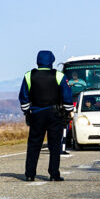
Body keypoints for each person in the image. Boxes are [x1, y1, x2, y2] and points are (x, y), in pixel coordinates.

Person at [19, 50, 74, 181]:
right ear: (52, 61)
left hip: (36, 113)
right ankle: (54, 174)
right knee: (54, 145)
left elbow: (24, 96)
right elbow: (67, 95)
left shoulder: (29, 75)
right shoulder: (59, 75)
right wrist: (68, 110)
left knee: (34, 144)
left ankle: (29, 174)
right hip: (55, 113)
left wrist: (27, 111)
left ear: (38, 61)